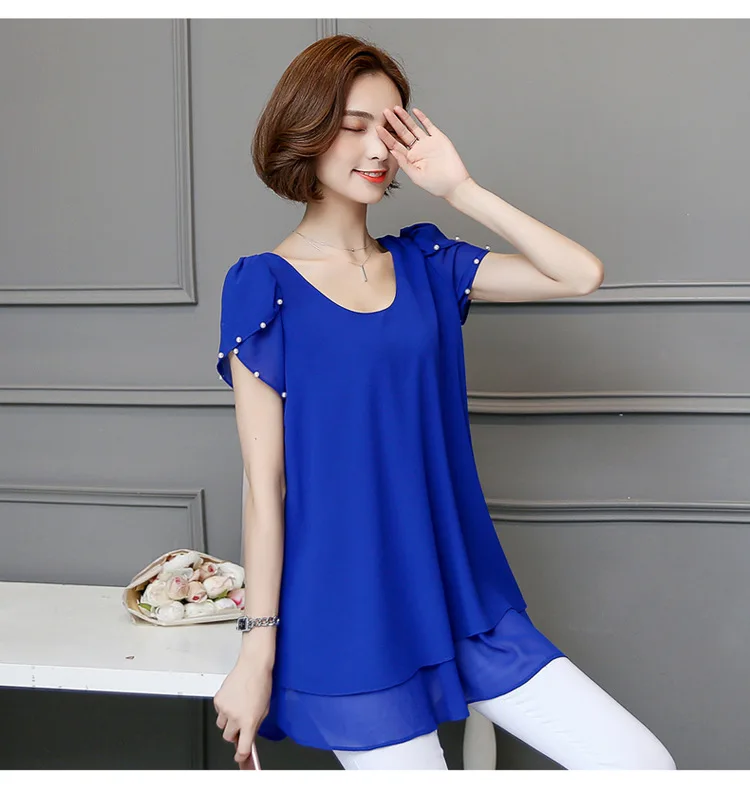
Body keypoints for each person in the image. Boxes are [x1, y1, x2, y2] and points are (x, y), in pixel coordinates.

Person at [212, 34, 676, 771]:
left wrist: (461, 190)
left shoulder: (427, 262)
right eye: (354, 125)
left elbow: (579, 274)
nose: (378, 149)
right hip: (350, 613)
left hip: (461, 593)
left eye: (392, 128)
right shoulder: (261, 286)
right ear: (307, 129)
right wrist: (255, 654)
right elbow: (264, 489)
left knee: (642, 767)